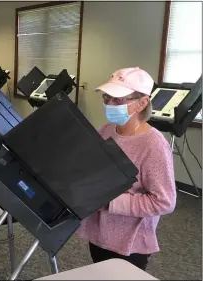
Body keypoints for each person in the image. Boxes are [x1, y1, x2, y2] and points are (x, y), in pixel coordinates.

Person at [76, 67, 177, 271]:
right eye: (107, 97)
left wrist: (111, 201)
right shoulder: (105, 131)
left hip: (130, 243)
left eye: (118, 99)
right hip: (100, 232)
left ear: (142, 102)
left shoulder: (153, 144)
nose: (110, 104)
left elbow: (165, 201)